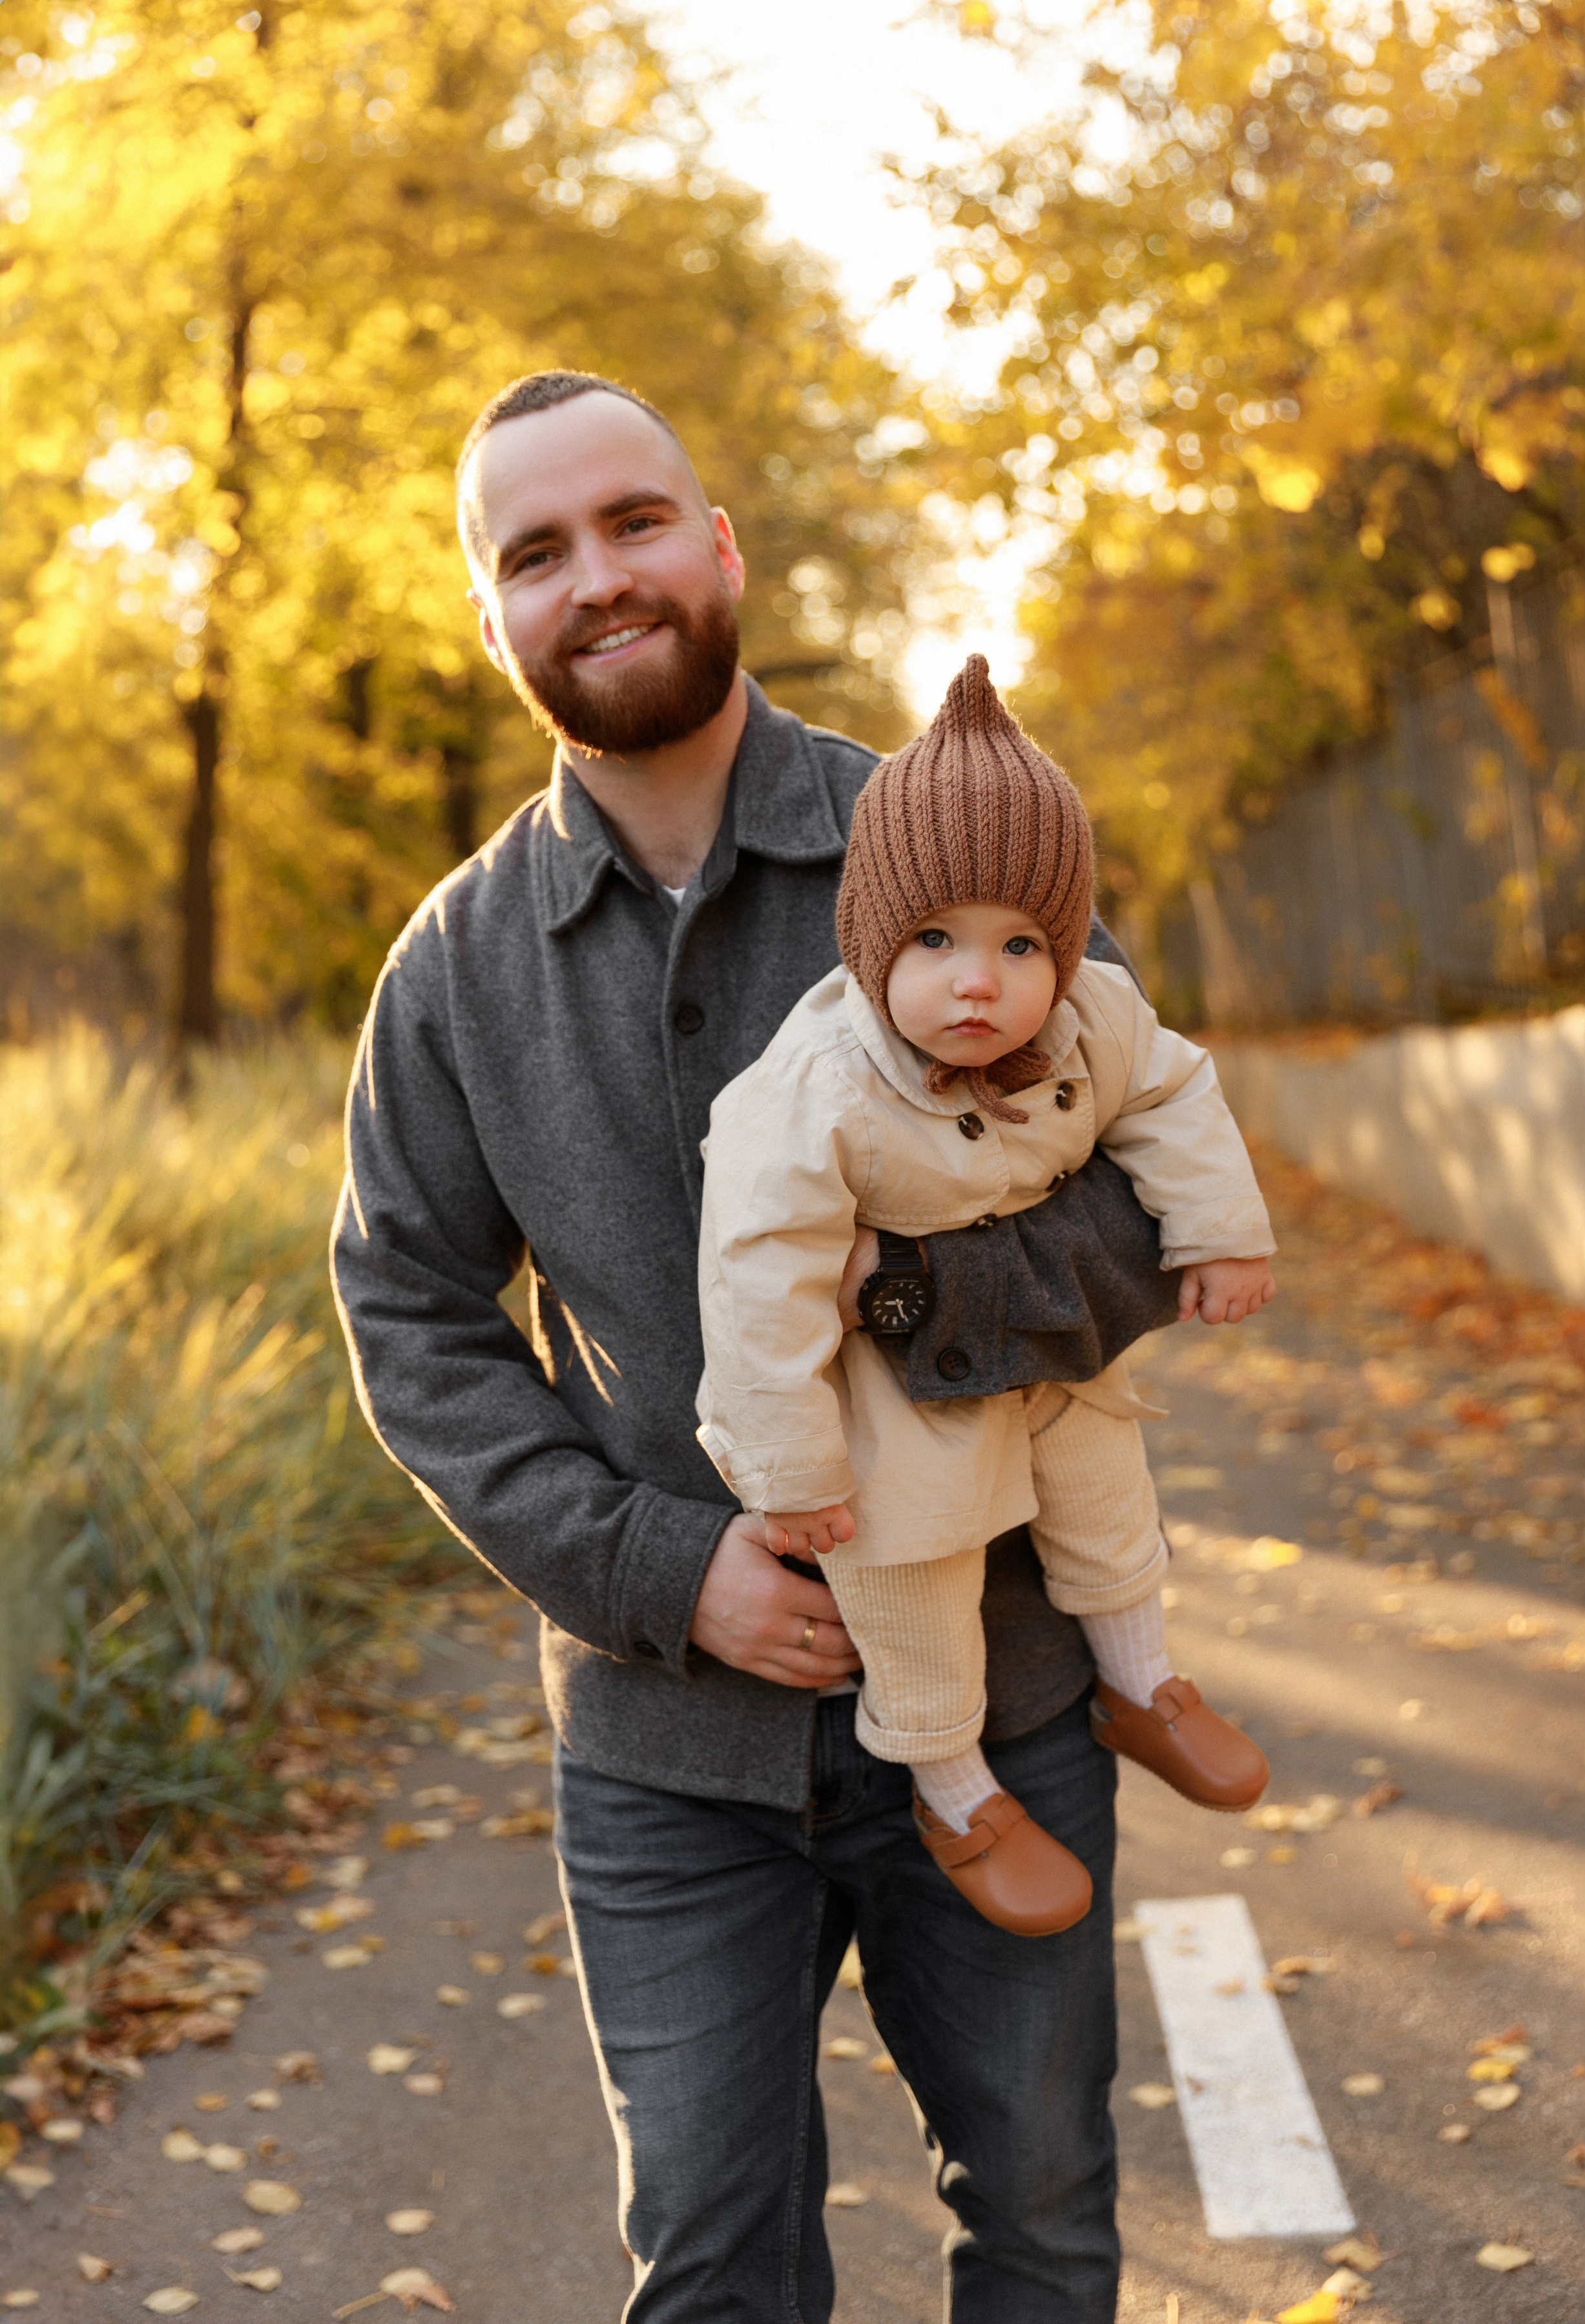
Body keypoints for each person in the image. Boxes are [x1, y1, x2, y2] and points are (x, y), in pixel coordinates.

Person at [329, 367, 1227, 2322]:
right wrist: (670, 1569)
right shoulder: (458, 965)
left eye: (635, 521)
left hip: (1003, 1686)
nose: (600, 577)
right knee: (716, 2265)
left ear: (720, 547)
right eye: (536, 552)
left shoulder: (958, 843)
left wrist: (911, 1324)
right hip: (665, 1750)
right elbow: (411, 1313)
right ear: (493, 617)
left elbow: (1141, 1167)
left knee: (1048, 2227)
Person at [696, 656, 1274, 1937]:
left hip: (1051, 1350)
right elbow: (758, 1278)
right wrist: (788, 1468)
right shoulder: (814, 1089)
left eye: (1021, 943)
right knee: (915, 1570)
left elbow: (1172, 1090)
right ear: (870, 939)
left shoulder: (1089, 1021)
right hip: (900, 1395)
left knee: (1107, 1488)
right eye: (936, 940)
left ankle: (1142, 1683)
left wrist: (1215, 1229)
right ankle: (954, 1790)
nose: (979, 980)